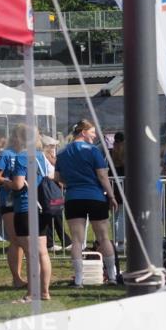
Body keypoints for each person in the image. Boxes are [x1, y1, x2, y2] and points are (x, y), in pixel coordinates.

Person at [56, 120, 119, 287]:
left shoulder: (62, 152)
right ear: (83, 132)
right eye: (92, 132)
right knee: (103, 237)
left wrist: (72, 182)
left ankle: (79, 279)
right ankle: (112, 275)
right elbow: (102, 176)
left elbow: (58, 177)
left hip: (73, 198)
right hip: (95, 197)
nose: (95, 135)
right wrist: (111, 196)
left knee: (77, 240)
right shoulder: (93, 150)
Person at [9, 125, 54, 302]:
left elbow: (18, 184)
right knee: (42, 252)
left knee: (31, 254)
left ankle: (32, 293)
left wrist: (6, 182)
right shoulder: (41, 156)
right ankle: (44, 292)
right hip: (42, 206)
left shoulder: (22, 156)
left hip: (26, 207)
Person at [0, 135, 26, 288]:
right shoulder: (6, 154)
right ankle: (17, 278)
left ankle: (20, 277)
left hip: (24, 201)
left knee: (22, 240)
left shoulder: (27, 154)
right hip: (9, 200)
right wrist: (11, 182)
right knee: (16, 239)